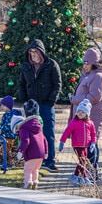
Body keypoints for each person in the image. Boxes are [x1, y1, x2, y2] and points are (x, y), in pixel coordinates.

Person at [18, 39, 62, 173]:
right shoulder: (26, 66)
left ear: (41, 52)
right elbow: (21, 84)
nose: (33, 55)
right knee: (31, 133)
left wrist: (51, 101)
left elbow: (57, 84)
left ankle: (50, 161)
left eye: (35, 52)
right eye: (31, 52)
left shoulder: (51, 65)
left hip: (46, 104)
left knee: (48, 132)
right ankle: (33, 159)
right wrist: (25, 100)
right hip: (31, 106)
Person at [69, 47, 102, 180]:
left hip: (93, 117)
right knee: (86, 145)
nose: (84, 65)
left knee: (92, 144)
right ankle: (87, 172)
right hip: (85, 118)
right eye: (83, 62)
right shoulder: (89, 75)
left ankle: (92, 172)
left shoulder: (98, 77)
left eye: (87, 63)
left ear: (94, 63)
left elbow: (94, 97)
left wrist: (75, 99)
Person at [59, 99, 97, 187]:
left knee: (82, 162)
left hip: (86, 145)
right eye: (79, 111)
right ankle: (85, 178)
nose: (80, 113)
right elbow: (67, 131)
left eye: (82, 112)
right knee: (82, 161)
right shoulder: (74, 122)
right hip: (77, 145)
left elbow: (93, 134)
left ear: (87, 114)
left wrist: (93, 143)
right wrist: (62, 141)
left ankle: (75, 176)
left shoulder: (90, 123)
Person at [10, 110, 48, 190]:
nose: (17, 132)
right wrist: (46, 152)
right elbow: (45, 140)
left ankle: (28, 182)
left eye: (16, 130)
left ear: (17, 125)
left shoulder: (23, 129)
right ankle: (35, 182)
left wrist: (20, 151)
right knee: (35, 169)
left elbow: (25, 141)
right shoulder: (38, 128)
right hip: (41, 153)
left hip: (32, 153)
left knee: (27, 169)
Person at [0, 95, 21, 165]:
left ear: (8, 106)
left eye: (3, 105)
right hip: (4, 135)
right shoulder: (6, 115)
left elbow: (8, 125)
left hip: (9, 136)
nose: (2, 107)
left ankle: (8, 163)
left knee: (6, 149)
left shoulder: (10, 115)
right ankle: (6, 162)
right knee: (3, 149)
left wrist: (1, 130)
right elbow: (2, 124)